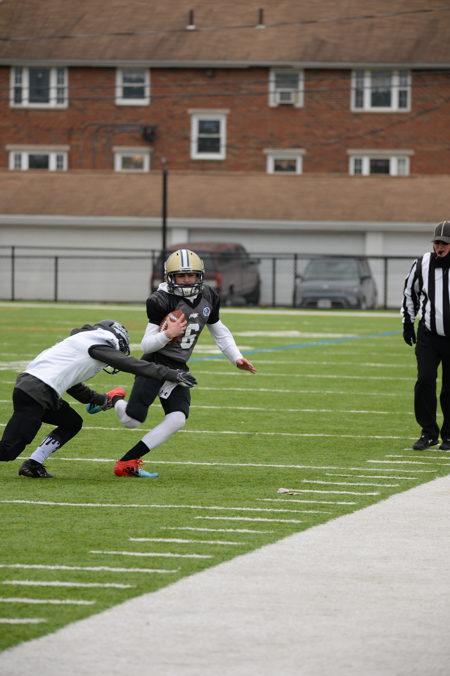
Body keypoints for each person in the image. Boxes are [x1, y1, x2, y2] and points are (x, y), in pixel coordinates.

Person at [110, 248, 256, 477]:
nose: (187, 280)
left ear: (200, 275)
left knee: (177, 419)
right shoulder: (160, 300)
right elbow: (146, 345)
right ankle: (113, 399)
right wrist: (167, 335)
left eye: (191, 275)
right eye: (181, 275)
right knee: (131, 421)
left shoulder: (209, 295)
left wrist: (235, 357)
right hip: (154, 364)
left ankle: (128, 461)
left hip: (178, 367)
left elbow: (218, 329)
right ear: (170, 277)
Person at [0, 319, 196, 478]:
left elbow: (74, 387)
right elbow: (132, 365)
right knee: (8, 450)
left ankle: (33, 464)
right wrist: (171, 374)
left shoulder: (81, 342)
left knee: (71, 422)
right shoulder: (98, 344)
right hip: (36, 393)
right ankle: (28, 462)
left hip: (39, 391)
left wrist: (102, 400)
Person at [401, 220, 450, 451]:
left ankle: (449, 435)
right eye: (437, 242)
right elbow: (409, 294)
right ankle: (428, 433)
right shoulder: (422, 263)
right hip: (429, 335)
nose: (440, 246)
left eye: (445, 243)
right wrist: (407, 323)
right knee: (425, 381)